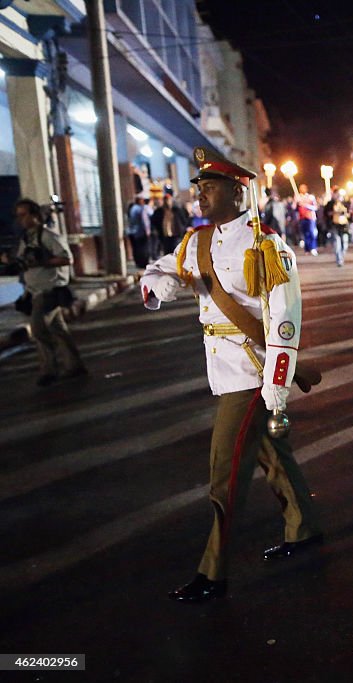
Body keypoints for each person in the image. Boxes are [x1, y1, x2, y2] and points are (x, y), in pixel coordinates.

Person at [141, 147, 322, 603]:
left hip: (251, 370)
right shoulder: (197, 241)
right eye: (199, 186)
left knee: (224, 472)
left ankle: (213, 571)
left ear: (240, 192)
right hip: (221, 366)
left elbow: (284, 323)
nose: (200, 193)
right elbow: (163, 268)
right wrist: (158, 284)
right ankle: (303, 528)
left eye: (211, 186)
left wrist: (277, 387)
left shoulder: (265, 246)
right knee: (270, 453)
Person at [8, 198, 86, 386]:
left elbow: (67, 259)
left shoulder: (49, 236)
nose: (21, 220)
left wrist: (44, 261)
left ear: (35, 215)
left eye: (24, 214)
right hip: (34, 291)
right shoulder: (26, 238)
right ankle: (74, 365)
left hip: (49, 290)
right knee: (58, 329)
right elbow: (22, 261)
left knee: (38, 329)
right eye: (18, 216)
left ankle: (49, 370)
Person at [295, 183, 319, 255]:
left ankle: (313, 248)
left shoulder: (311, 197)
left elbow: (315, 207)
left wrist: (305, 205)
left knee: (312, 233)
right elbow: (294, 208)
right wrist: (297, 202)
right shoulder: (298, 197)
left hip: (310, 218)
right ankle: (307, 249)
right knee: (305, 234)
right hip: (302, 218)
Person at [127, 196, 150, 268]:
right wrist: (147, 231)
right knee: (143, 248)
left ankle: (138, 262)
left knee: (136, 248)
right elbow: (144, 221)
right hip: (141, 231)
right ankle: (144, 262)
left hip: (133, 231)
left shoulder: (133, 209)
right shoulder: (141, 209)